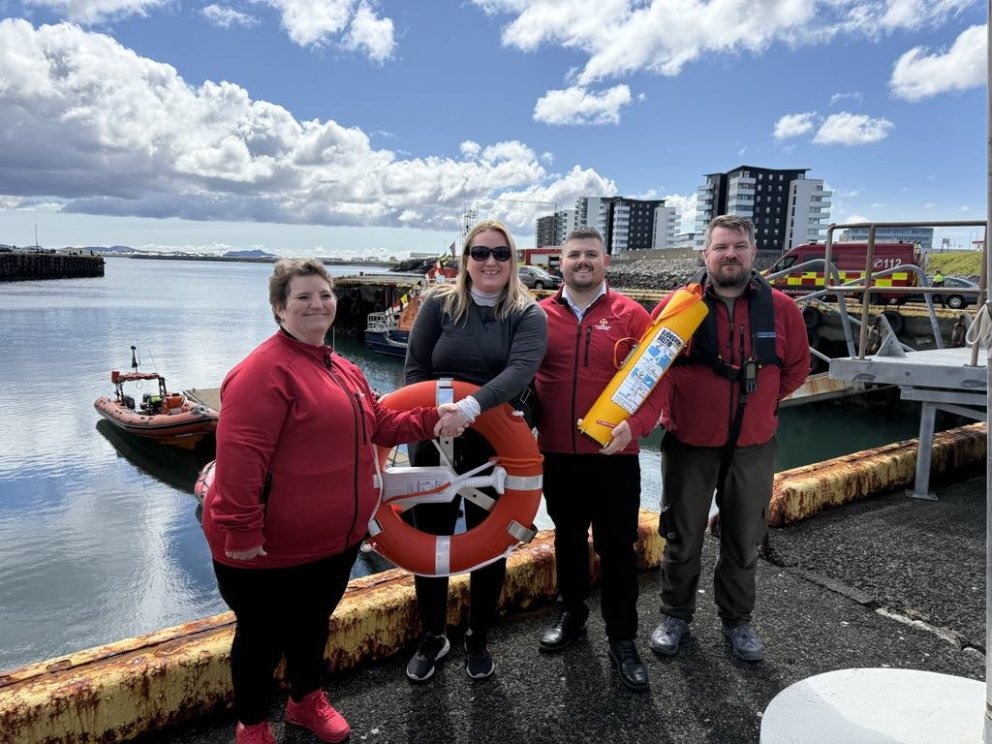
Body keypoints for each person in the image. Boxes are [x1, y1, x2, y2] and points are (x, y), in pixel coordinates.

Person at [201, 258, 459, 744]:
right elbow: (238, 461)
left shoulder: (342, 367)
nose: (316, 304)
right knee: (259, 639)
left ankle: (305, 702)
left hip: (332, 541)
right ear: (279, 308)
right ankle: (252, 726)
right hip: (267, 548)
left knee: (312, 627)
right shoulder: (262, 373)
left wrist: (432, 419)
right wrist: (241, 531)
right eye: (302, 297)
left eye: (323, 294)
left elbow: (380, 425)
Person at [649, 215, 808, 662]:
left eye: (739, 246)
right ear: (706, 255)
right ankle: (675, 615)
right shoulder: (677, 306)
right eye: (720, 247)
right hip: (690, 445)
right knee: (682, 536)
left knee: (744, 536)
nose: (730, 255)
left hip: (753, 447)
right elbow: (651, 367)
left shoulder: (782, 309)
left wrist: (761, 405)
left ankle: (737, 621)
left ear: (754, 253)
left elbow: (795, 369)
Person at [403, 219, 548, 682]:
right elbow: (415, 372)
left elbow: (520, 372)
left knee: (492, 542)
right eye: (480, 252)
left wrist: (469, 408)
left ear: (513, 261)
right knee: (431, 537)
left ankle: (478, 636)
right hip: (433, 441)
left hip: (496, 448)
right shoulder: (439, 305)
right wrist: (432, 423)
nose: (490, 262)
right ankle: (433, 636)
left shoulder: (528, 314)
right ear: (465, 259)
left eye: (501, 253)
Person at [533, 226, 663, 692]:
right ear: (560, 264)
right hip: (558, 455)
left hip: (616, 457)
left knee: (617, 550)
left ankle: (623, 637)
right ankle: (571, 613)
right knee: (567, 538)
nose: (582, 262)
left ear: (606, 262)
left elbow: (656, 382)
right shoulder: (537, 315)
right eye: (573, 255)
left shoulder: (632, 315)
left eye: (591, 254)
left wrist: (639, 425)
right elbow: (520, 377)